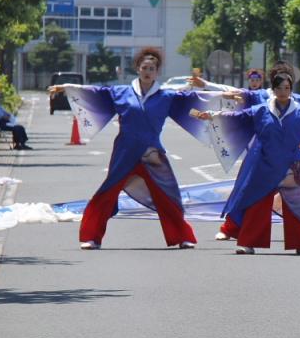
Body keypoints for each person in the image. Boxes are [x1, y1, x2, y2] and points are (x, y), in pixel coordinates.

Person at [48, 47, 210, 250]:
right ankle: (91, 237)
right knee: (106, 194)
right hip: (125, 152)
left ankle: (182, 236)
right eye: (144, 68)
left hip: (152, 153)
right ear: (138, 69)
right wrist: (67, 87)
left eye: (152, 68)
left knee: (169, 196)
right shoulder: (122, 92)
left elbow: (194, 102)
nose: (148, 71)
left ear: (157, 72)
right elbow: (95, 92)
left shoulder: (166, 96)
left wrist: (221, 97)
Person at [191, 69, 300, 255]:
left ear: (291, 89)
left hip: (291, 166)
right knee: (256, 204)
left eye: (287, 87)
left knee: (298, 206)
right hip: (264, 164)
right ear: (274, 89)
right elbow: (237, 117)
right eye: (280, 88)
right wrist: (214, 115)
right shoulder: (261, 109)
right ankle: (248, 243)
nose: (284, 91)